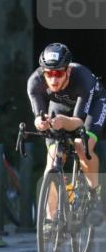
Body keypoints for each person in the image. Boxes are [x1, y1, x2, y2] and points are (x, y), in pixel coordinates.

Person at [26, 42, 106, 223]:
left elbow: (78, 122)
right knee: (52, 163)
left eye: (58, 74)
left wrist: (63, 122)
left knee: (81, 146)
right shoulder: (34, 82)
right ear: (42, 72)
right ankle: (50, 220)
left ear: (68, 71)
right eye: (49, 74)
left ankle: (94, 193)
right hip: (61, 106)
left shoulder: (83, 78)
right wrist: (40, 122)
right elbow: (38, 116)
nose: (53, 79)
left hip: (93, 106)